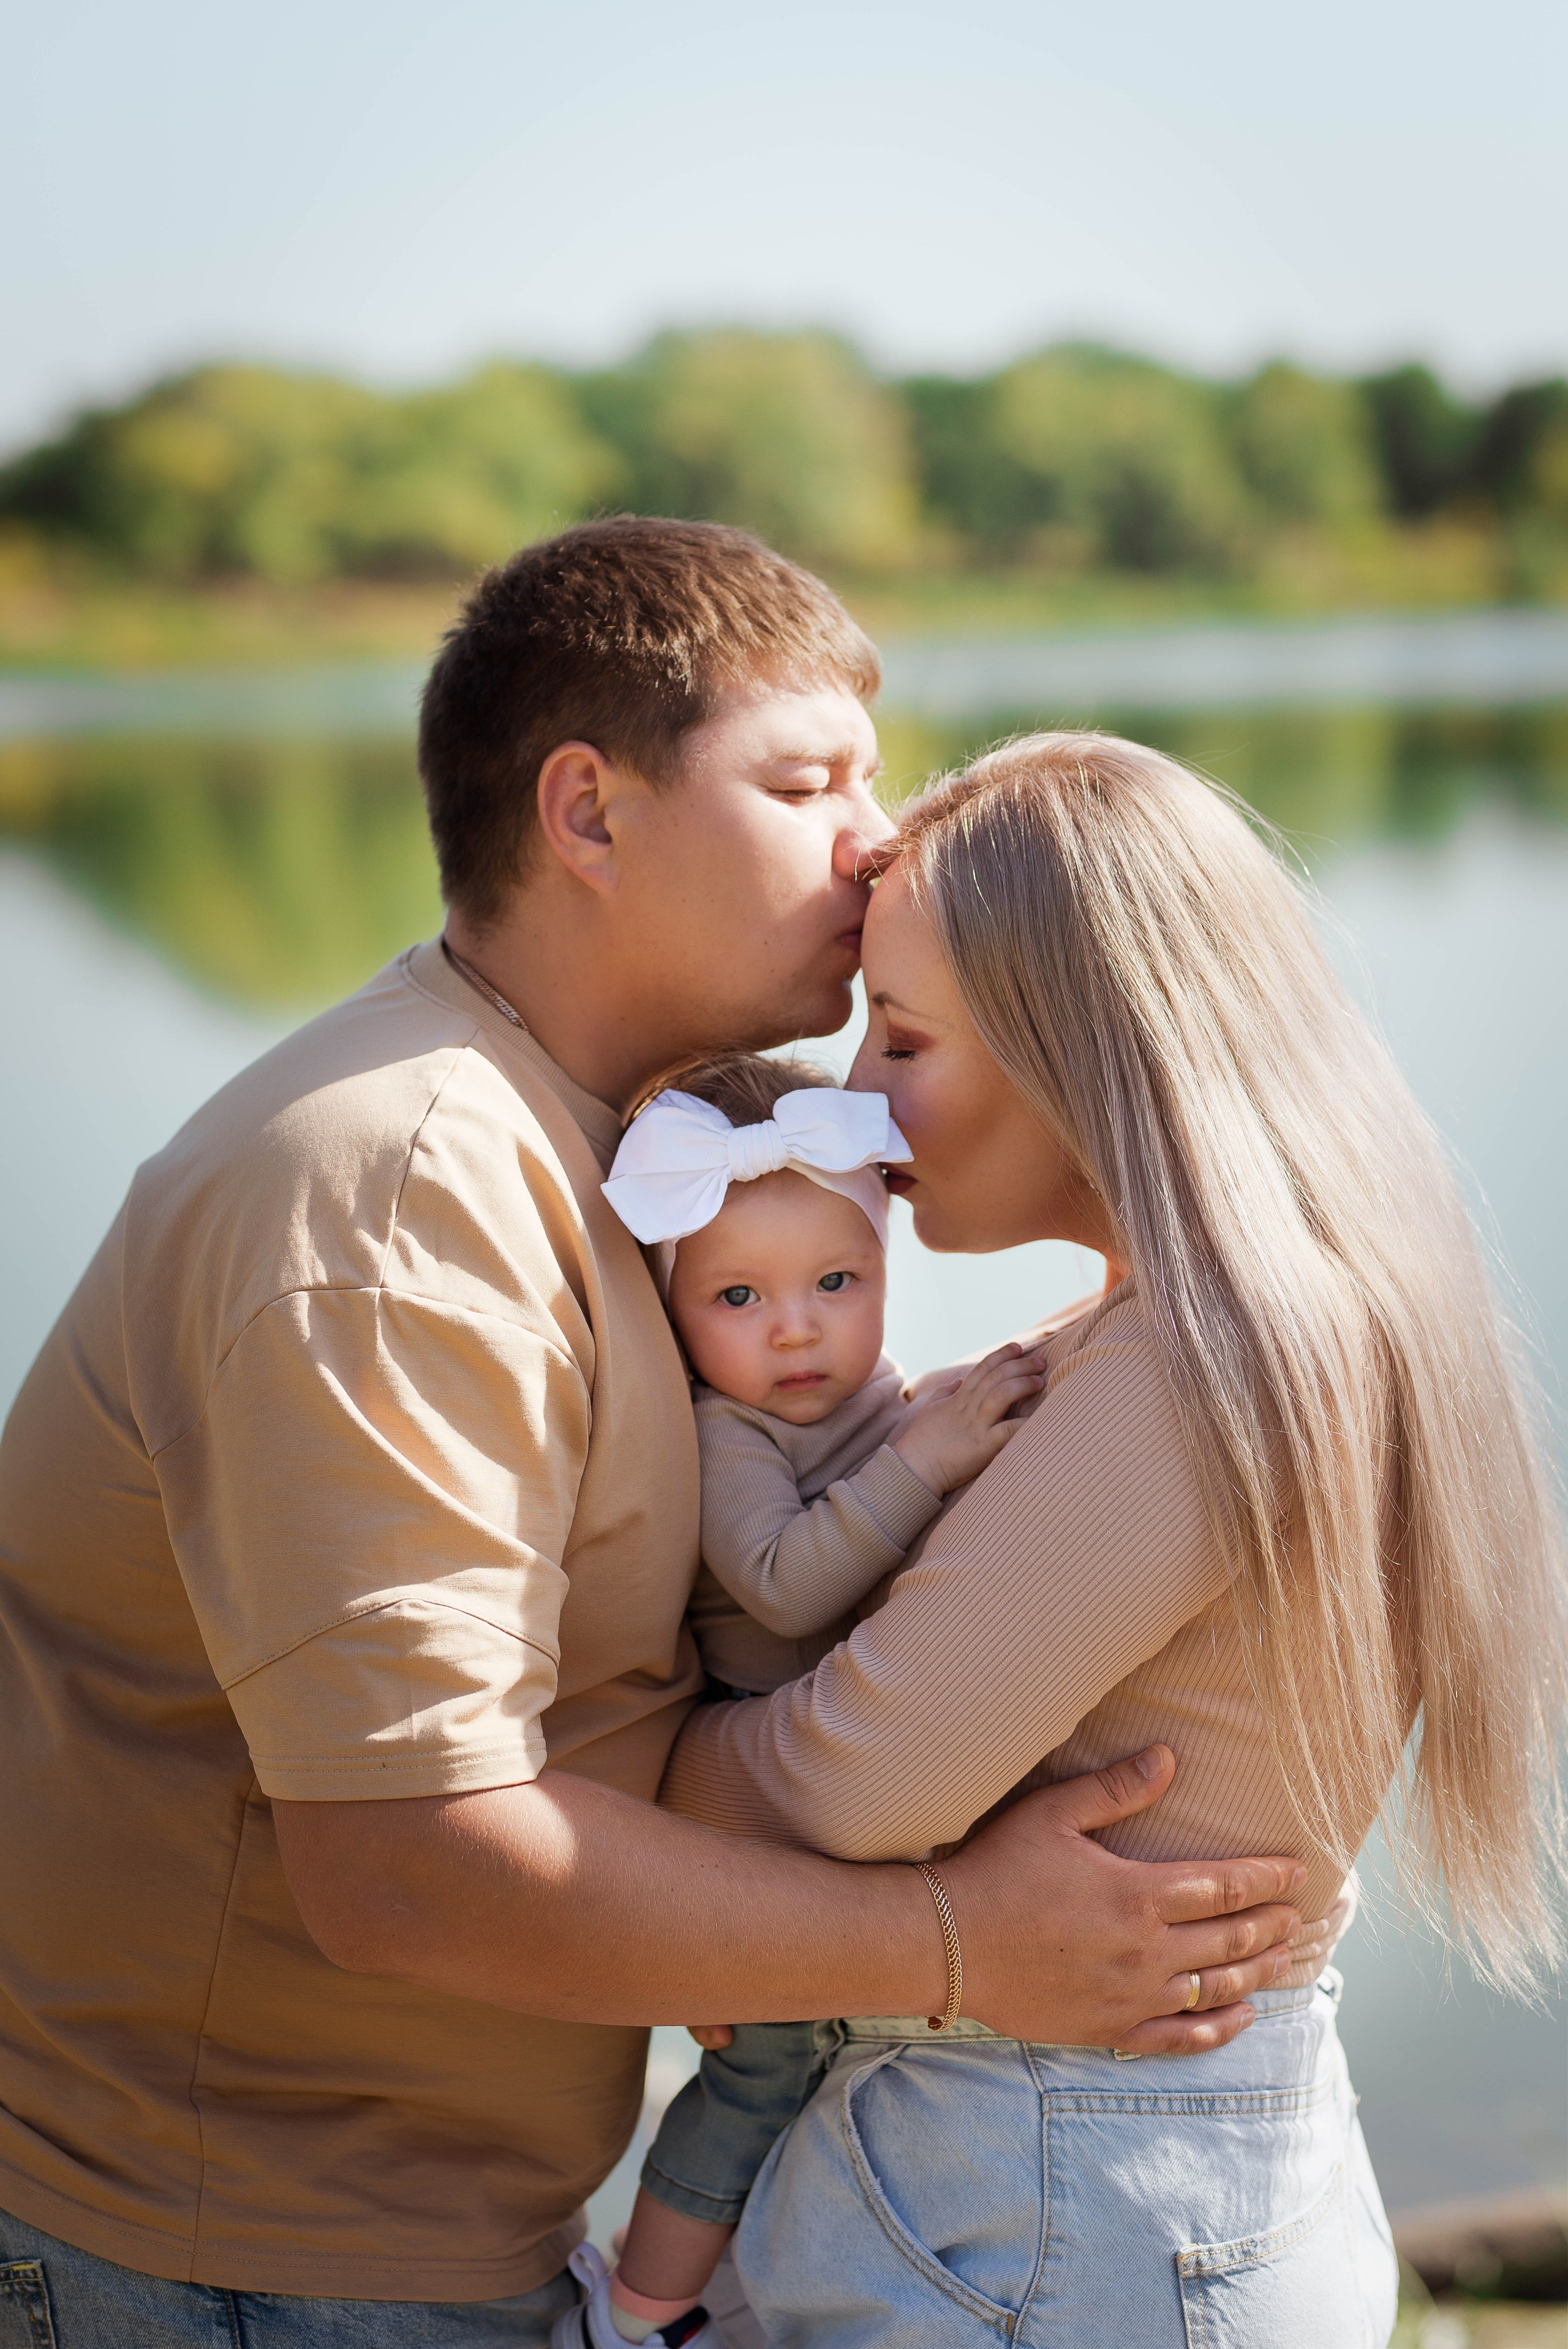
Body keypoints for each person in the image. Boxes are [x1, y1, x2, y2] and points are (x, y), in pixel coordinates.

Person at [0, 529, 1308, 2348]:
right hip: (247, 2257)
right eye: (806, 781)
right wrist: (957, 1944)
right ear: (588, 816)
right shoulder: (400, 1189)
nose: (876, 837)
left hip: (402, 2227)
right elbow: (406, 1854)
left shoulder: (622, 1149)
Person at [659, 733, 1568, 2347]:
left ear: (1085, 1047)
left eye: (908, 1036)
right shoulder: (1268, 1314)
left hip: (1038, 2196)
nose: (859, 1096)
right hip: (1161, 2175)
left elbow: (849, 1785)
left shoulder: (1191, 1369)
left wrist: (642, 1780)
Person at [567, 1051, 1046, 2348]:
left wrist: (949, 1420)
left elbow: (912, 1471)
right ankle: (637, 2307)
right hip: (758, 1817)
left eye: (838, 1282)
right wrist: (926, 1455)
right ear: (673, 1311)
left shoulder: (877, 1396)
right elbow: (781, 1587)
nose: (795, 1329)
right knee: (760, 2066)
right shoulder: (728, 1435)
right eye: (737, 1295)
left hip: (858, 1785)